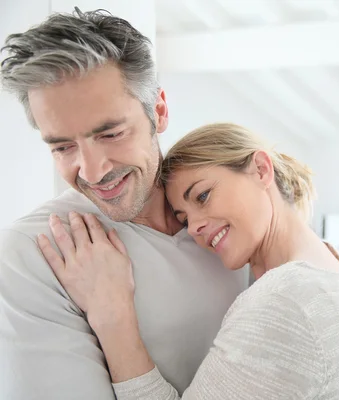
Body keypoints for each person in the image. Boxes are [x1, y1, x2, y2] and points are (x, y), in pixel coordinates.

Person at [0, 9, 248, 400]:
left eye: (111, 133)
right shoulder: (34, 252)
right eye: (63, 147)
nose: (93, 172)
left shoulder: (231, 210)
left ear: (159, 111)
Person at [38, 122, 339, 399]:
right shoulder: (330, 259)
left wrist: (112, 315)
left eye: (202, 195)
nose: (195, 227)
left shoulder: (284, 297)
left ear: (261, 169)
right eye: (184, 219)